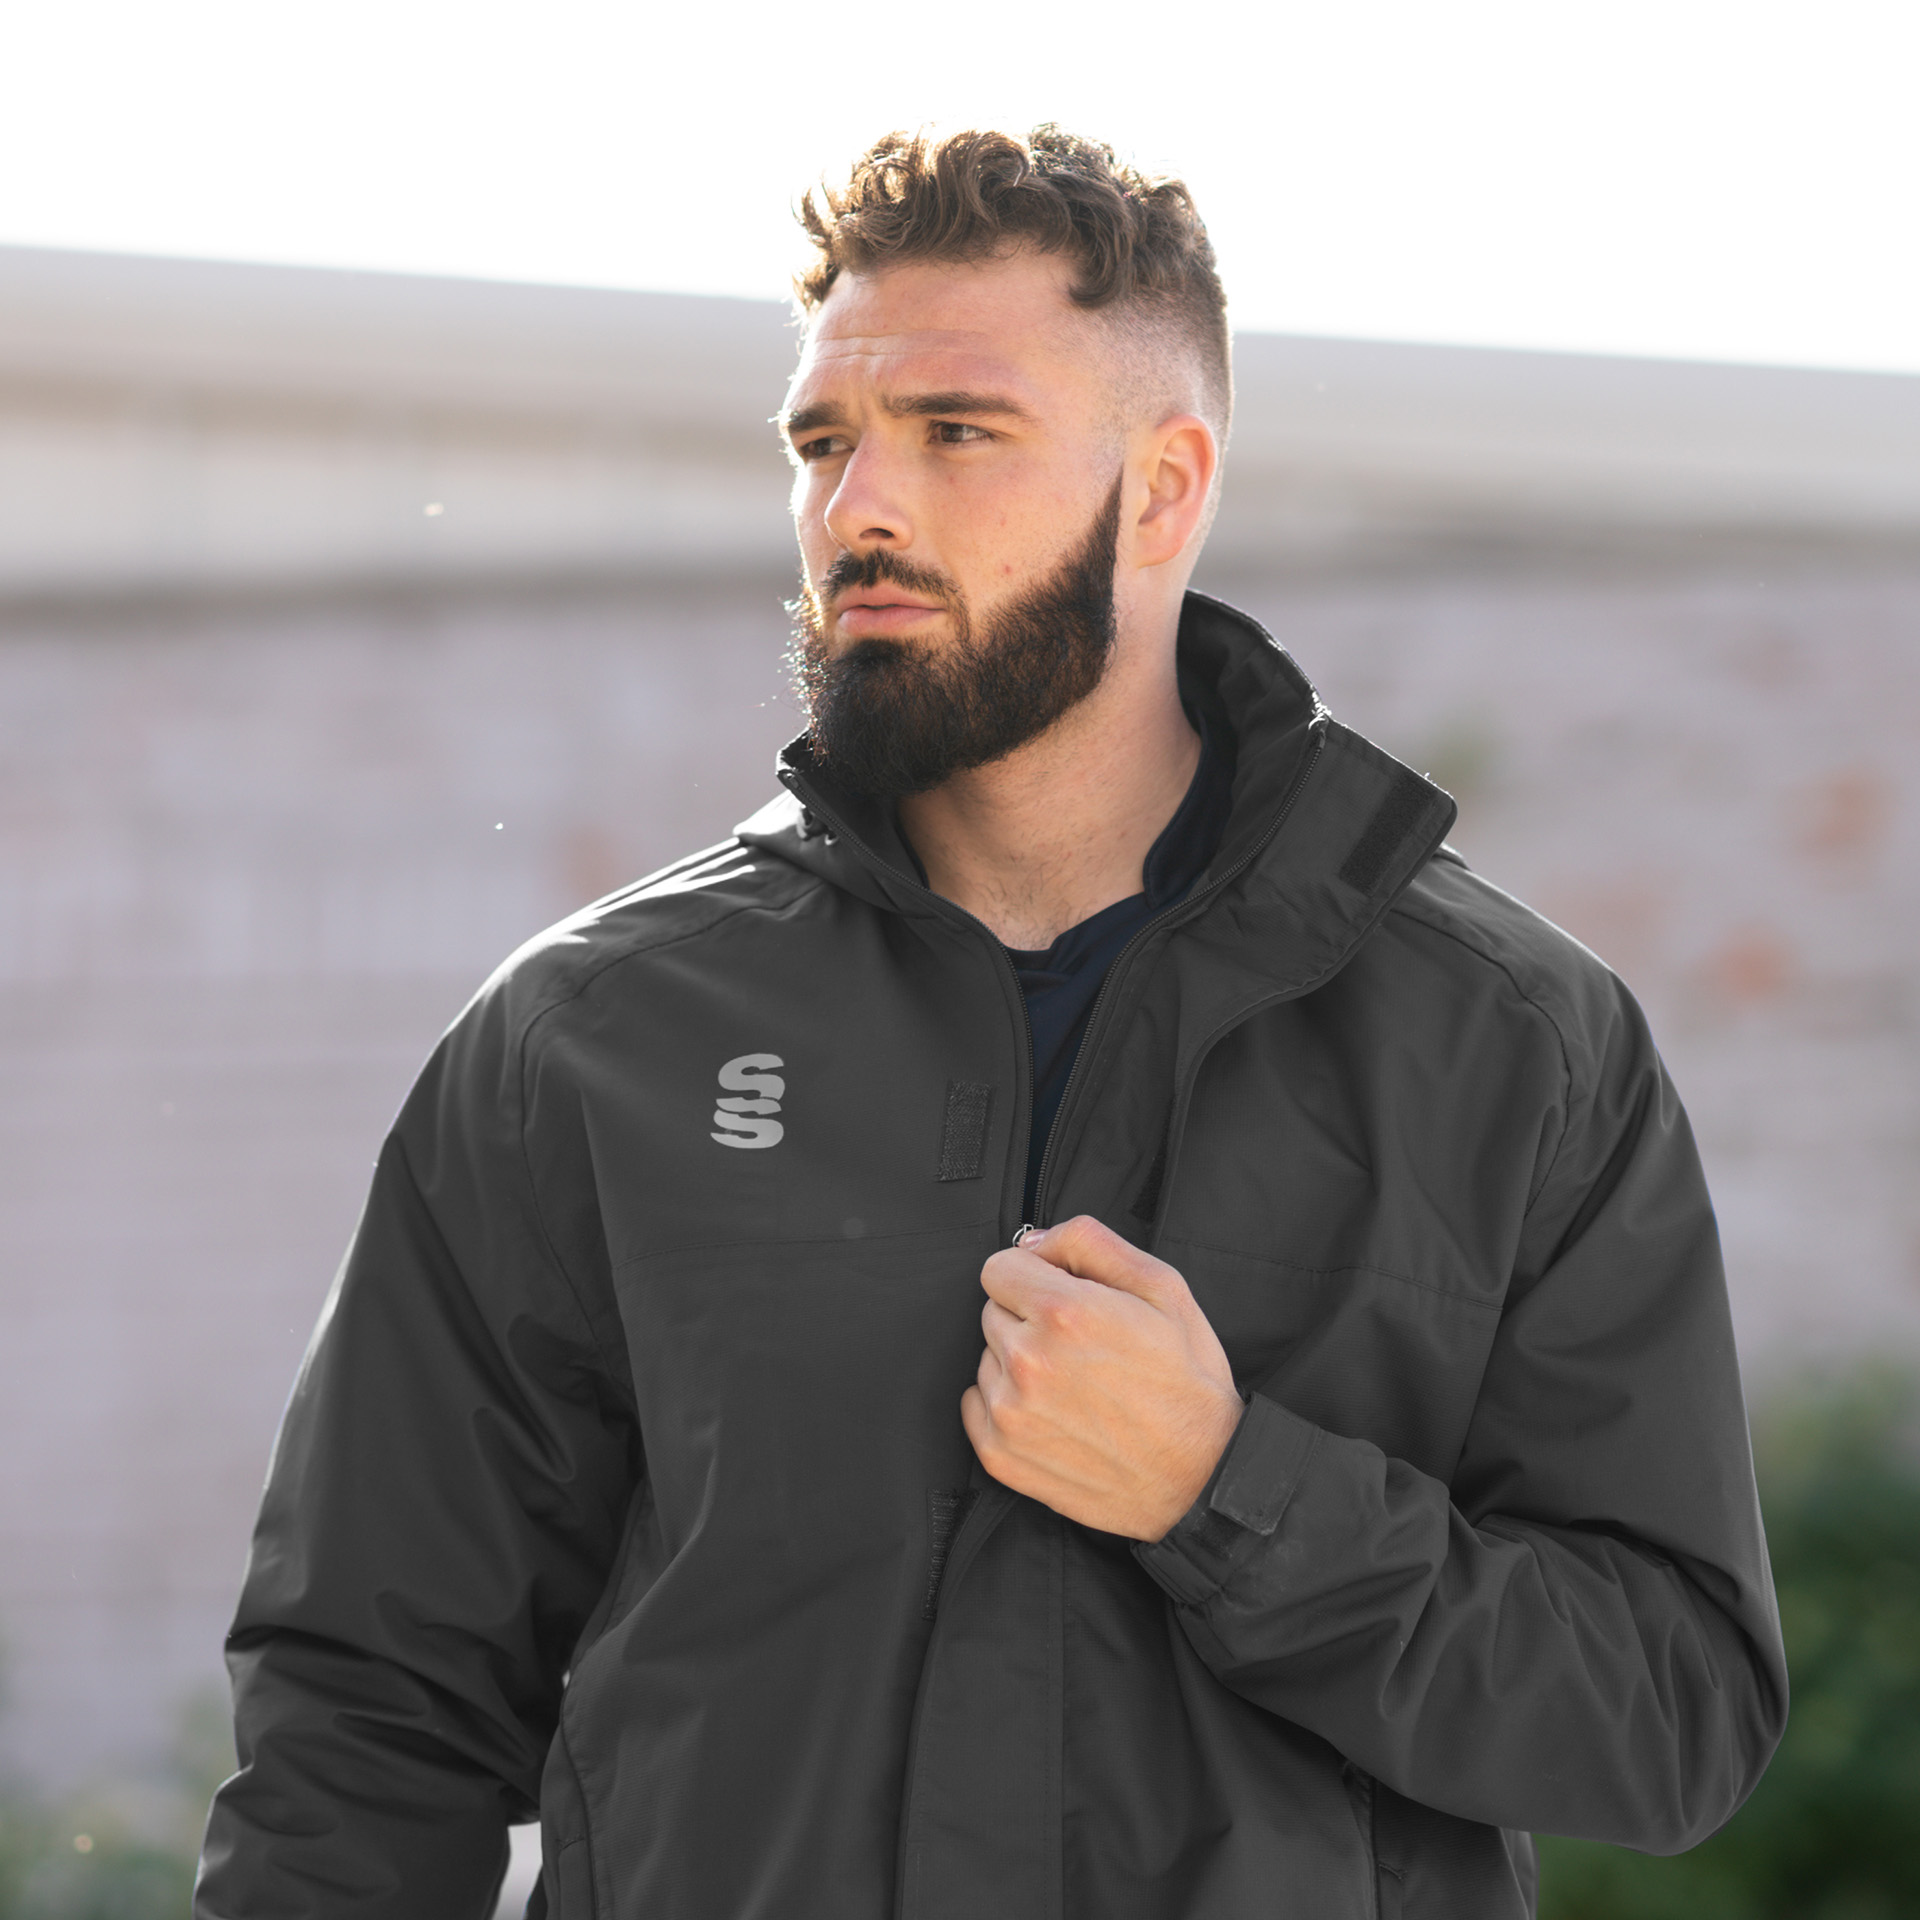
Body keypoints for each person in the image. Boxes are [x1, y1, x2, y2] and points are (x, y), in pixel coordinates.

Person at [196, 126, 1786, 1920]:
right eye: (823, 443)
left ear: (1164, 489)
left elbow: (1672, 1718)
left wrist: (1226, 1492)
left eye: (954, 430)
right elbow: (365, 1717)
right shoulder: (590, 1040)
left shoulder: (1511, 1048)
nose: (859, 509)